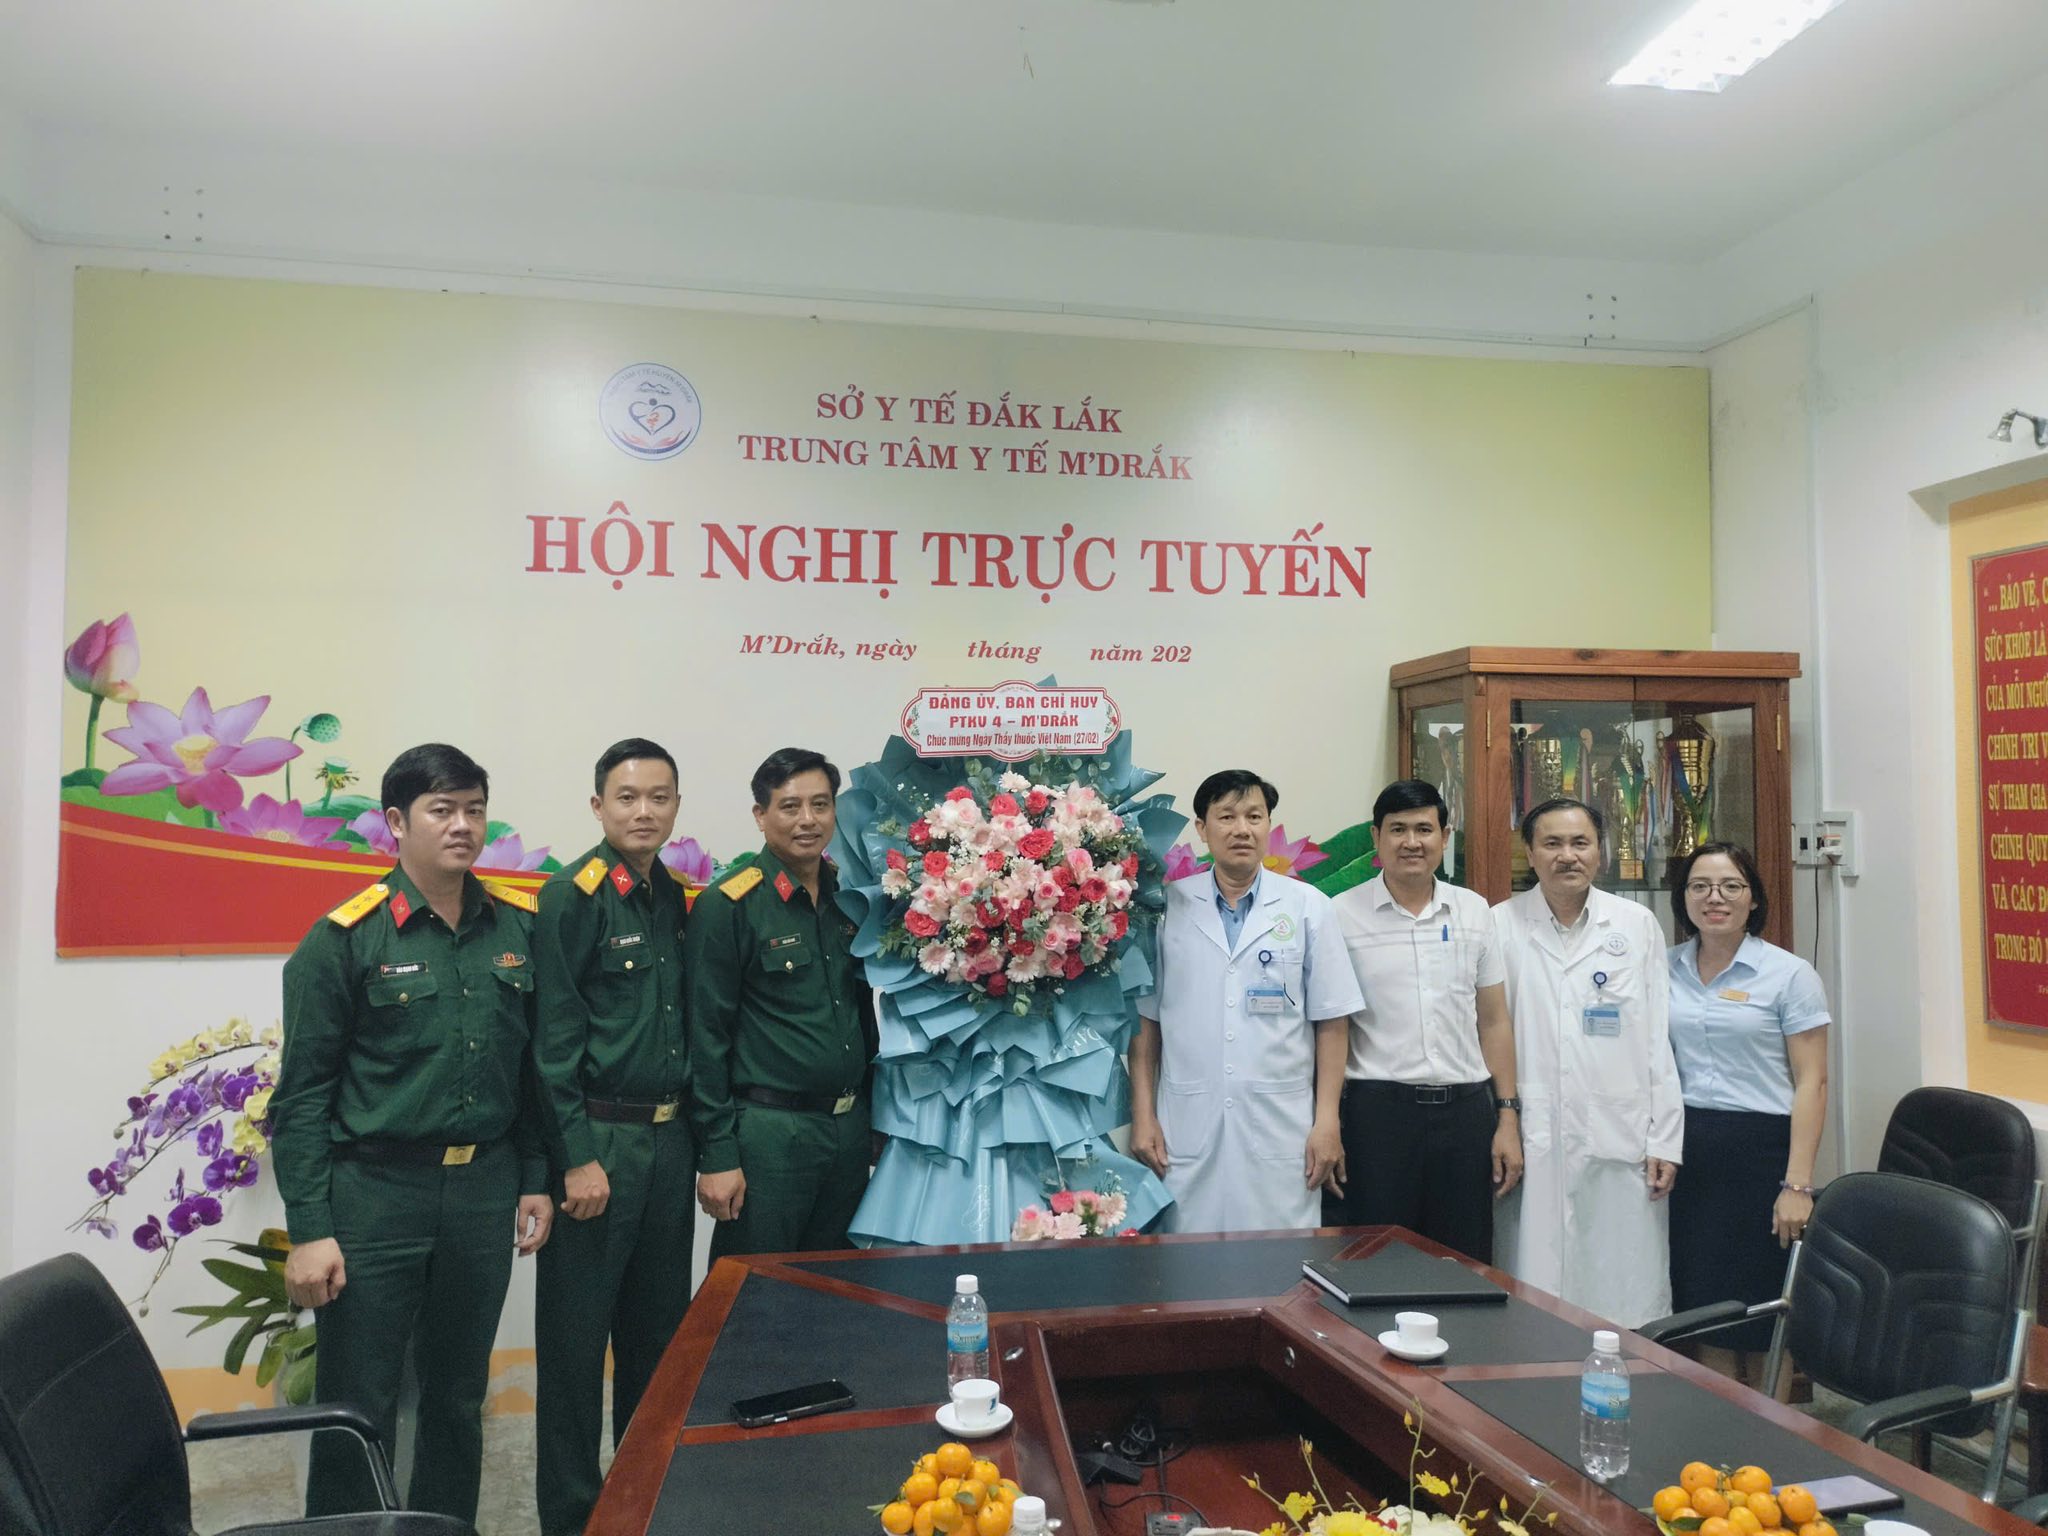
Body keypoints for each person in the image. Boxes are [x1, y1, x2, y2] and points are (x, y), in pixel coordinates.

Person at [271, 744, 552, 1520]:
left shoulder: (518, 929)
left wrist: (533, 1175)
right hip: (376, 1194)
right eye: (442, 810)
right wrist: (310, 1229)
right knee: (357, 1406)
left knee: (459, 1396)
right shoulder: (345, 938)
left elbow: (532, 1072)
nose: (462, 826)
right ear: (396, 822)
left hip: (481, 1189)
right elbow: (301, 1099)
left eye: (474, 809)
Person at [531, 738, 696, 1535]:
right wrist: (576, 1159)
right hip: (600, 1142)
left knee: (657, 1342)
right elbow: (552, 1045)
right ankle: (571, 1519)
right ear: (598, 806)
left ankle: (641, 1505)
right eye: (627, 797)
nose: (644, 811)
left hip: (668, 1144)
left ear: (676, 806)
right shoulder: (572, 896)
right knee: (574, 1348)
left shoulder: (673, 896)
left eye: (659, 797)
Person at [1129, 769, 1362, 1232]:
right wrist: (1143, 1115)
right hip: (1187, 1126)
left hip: (1281, 1126)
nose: (1242, 829)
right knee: (1187, 1261)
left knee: (1280, 1261)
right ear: (1202, 828)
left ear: (1268, 825)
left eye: (1255, 817)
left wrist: (1327, 1121)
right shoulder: (1165, 909)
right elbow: (1145, 1023)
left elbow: (1333, 1022)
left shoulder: (1308, 906)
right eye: (1227, 817)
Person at [1491, 796, 1682, 1328]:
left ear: (1601, 851)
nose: (1567, 855)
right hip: (1531, 1129)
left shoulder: (1636, 925)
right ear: (1530, 853)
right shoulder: (1499, 925)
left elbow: (1657, 1037)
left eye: (1580, 843)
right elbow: (1489, 1030)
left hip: (1620, 1129)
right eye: (1552, 843)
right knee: (1529, 1284)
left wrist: (1666, 1137)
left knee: (1617, 1288)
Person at [687, 747, 877, 1254]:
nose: (807, 820)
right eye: (790, 806)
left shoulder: (849, 896)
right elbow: (705, 1036)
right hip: (771, 1136)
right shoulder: (729, 905)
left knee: (837, 1285)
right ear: (761, 815)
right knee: (755, 1286)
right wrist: (718, 1153)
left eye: (820, 804)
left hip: (848, 1130)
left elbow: (864, 1015)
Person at [1328, 779, 1522, 1260]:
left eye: (1423, 829)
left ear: (1445, 836)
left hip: (1465, 1114)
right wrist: (1327, 1119)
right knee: (1376, 1258)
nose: (1411, 842)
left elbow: (1493, 1021)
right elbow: (1333, 1027)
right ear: (1376, 838)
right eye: (1397, 829)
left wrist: (1507, 1114)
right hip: (1378, 1116)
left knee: (1464, 1260)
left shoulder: (1474, 911)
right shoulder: (1341, 915)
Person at [1666, 841, 1829, 1378]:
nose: (1714, 898)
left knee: (1761, 1311)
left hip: (1761, 1156)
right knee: (1704, 1306)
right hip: (1688, 1151)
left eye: (1730, 886)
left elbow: (1812, 1082)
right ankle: (1721, 1426)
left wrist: (1797, 1185)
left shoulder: (1788, 975)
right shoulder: (1663, 968)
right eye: (1700, 886)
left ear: (1753, 899)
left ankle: (1770, 1428)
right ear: (1684, 898)